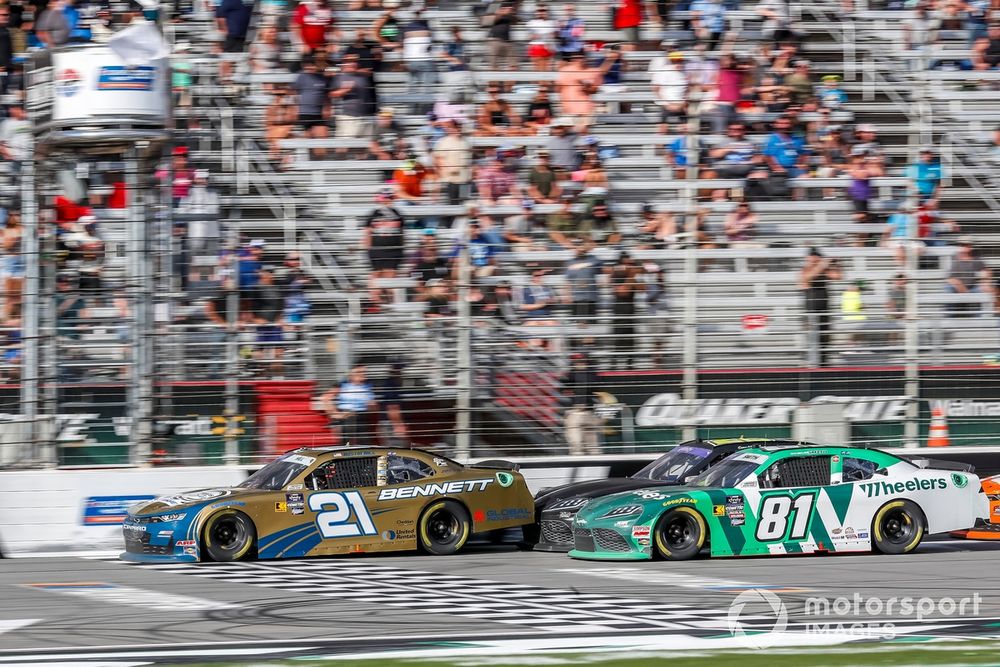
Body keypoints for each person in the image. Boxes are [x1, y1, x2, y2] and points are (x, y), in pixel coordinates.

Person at [362, 188, 405, 309]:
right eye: (385, 199)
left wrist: (401, 251)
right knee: (376, 276)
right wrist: (367, 250)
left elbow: (402, 234)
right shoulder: (373, 214)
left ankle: (391, 305)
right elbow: (367, 233)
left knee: (390, 278)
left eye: (389, 198)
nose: (387, 201)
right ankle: (375, 303)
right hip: (376, 250)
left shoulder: (398, 214)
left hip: (393, 251)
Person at [798, 248, 842, 367]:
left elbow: (838, 276)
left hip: (824, 310)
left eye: (818, 256)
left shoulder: (823, 270)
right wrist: (822, 265)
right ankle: (811, 364)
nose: (817, 258)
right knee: (812, 339)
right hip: (811, 311)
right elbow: (808, 278)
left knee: (824, 338)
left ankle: (824, 365)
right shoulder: (804, 270)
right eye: (814, 256)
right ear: (809, 257)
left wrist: (836, 264)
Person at [321, 365, 378, 446]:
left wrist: (372, 406)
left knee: (365, 445)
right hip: (347, 418)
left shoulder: (368, 385)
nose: (363, 374)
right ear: (351, 375)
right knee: (345, 446)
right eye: (359, 372)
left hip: (362, 418)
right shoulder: (343, 384)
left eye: (364, 372)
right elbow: (326, 398)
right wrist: (335, 414)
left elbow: (373, 406)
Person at [607, 252, 644, 370]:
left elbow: (643, 289)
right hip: (619, 309)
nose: (630, 266)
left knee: (630, 337)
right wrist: (631, 276)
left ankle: (630, 365)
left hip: (630, 309)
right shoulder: (617, 274)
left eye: (631, 263)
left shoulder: (632, 275)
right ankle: (614, 365)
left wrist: (635, 276)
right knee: (618, 337)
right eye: (627, 263)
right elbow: (623, 292)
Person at [330, 55, 374, 147]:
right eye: (349, 61)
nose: (352, 63)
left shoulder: (362, 77)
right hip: (347, 117)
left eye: (354, 61)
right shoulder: (339, 77)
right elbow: (332, 94)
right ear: (344, 63)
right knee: (344, 146)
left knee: (363, 147)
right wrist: (345, 90)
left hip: (363, 117)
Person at [562, 352, 600, 456]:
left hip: (588, 411)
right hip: (575, 410)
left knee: (591, 441)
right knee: (575, 441)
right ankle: (577, 456)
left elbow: (594, 385)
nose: (579, 363)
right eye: (576, 361)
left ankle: (594, 459)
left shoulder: (591, 373)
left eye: (581, 361)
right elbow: (566, 383)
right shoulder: (573, 373)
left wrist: (584, 370)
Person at [293, 58, 331, 159]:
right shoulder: (301, 76)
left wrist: (327, 107)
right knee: (307, 142)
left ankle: (320, 165)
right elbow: (294, 92)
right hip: (304, 113)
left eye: (313, 65)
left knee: (322, 140)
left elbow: (327, 95)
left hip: (319, 114)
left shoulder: (323, 77)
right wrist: (296, 107)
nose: (310, 67)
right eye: (308, 65)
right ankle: (309, 165)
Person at [945, 237, 995, 316]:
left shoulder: (976, 258)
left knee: (990, 287)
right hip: (958, 288)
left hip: (972, 288)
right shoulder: (953, 257)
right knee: (948, 288)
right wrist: (960, 286)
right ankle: (948, 317)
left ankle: (983, 319)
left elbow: (986, 270)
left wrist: (985, 281)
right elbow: (949, 279)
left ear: (970, 246)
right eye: (962, 245)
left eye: (966, 245)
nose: (964, 247)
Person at [402, 8, 436, 114]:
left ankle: (412, 111)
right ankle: (426, 111)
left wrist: (404, 60)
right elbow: (430, 45)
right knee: (427, 87)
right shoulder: (427, 26)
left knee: (413, 87)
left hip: (412, 60)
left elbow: (403, 45)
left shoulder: (407, 28)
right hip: (424, 59)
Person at [563, 238, 603, 327]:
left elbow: (599, 262)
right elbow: (567, 281)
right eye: (576, 246)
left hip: (590, 297)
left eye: (580, 245)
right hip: (577, 297)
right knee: (579, 325)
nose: (578, 248)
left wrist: (582, 265)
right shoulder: (569, 262)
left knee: (591, 326)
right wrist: (567, 295)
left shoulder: (593, 258)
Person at [649, 48, 688, 134]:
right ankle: (659, 147)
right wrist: (667, 104)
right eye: (675, 61)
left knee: (686, 129)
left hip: (681, 105)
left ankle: (685, 146)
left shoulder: (685, 72)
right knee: (662, 130)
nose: (677, 63)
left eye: (679, 60)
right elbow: (655, 88)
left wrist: (683, 103)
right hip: (667, 105)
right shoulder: (663, 71)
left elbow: (687, 90)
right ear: (670, 61)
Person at [215, 0, 254, 82]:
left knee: (243, 59)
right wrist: (225, 31)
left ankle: (236, 81)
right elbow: (220, 17)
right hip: (232, 36)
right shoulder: (228, 1)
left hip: (245, 36)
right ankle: (224, 81)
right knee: (227, 59)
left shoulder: (247, 2)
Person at [485, 2, 517, 72]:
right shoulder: (494, 12)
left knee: (513, 65)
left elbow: (515, 20)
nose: (508, 9)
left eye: (509, 8)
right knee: (493, 66)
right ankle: (494, 82)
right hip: (494, 40)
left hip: (507, 41)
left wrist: (510, 12)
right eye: (506, 8)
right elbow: (487, 22)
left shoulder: (510, 16)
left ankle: (510, 80)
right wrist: (500, 13)